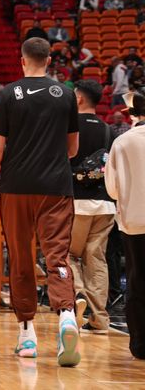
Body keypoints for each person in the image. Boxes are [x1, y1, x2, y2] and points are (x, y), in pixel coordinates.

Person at [0, 37, 80, 366]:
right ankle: (66, 315)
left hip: (16, 188)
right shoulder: (65, 94)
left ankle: (27, 335)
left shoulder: (8, 94)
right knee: (57, 256)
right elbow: (73, 149)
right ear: (49, 60)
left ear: (23, 61)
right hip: (55, 187)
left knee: (21, 258)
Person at [69, 80, 116, 334]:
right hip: (106, 204)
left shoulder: (69, 126)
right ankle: (100, 320)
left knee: (68, 254)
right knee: (97, 260)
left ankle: (77, 295)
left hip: (76, 201)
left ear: (78, 99)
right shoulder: (110, 131)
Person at [105, 88, 145, 360]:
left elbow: (112, 189)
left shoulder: (123, 141)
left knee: (137, 281)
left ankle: (140, 345)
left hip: (134, 221)